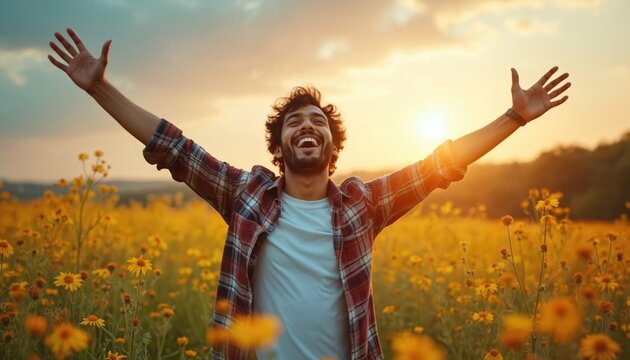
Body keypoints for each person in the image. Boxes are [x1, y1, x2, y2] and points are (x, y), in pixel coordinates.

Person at [48, 28, 571, 360]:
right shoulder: (246, 194)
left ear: (330, 143)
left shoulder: (362, 206)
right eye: (295, 122)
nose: (307, 126)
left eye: (317, 122)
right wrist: (99, 87)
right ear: (279, 145)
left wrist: (514, 118)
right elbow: (174, 145)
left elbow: (440, 165)